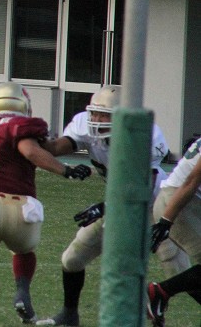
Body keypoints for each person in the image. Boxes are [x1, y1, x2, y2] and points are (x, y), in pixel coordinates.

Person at [0, 82, 93, 327]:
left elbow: (22, 152)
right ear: (22, 104)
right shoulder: (20, 126)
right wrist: (66, 170)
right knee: (23, 250)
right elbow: (30, 151)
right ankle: (22, 291)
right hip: (22, 210)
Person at [36, 86, 188, 327]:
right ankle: (69, 314)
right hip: (116, 205)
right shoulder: (85, 125)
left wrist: (105, 207)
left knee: (179, 273)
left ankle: (156, 308)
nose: (96, 120)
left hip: (154, 206)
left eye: (103, 115)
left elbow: (142, 184)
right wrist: (35, 138)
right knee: (72, 259)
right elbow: (57, 148)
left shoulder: (144, 133)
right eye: (94, 113)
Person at [146, 134, 201, 326]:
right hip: (178, 202)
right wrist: (166, 221)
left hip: (189, 202)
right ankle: (161, 291)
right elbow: (190, 182)